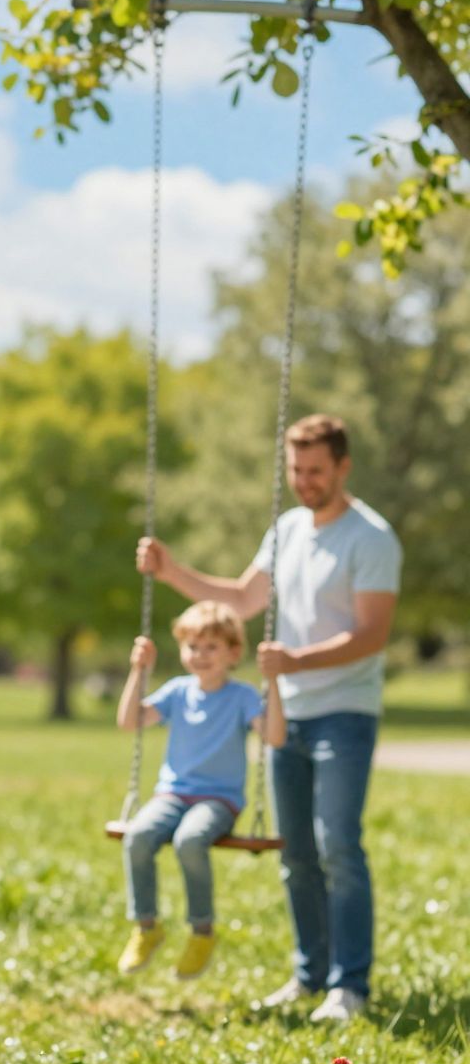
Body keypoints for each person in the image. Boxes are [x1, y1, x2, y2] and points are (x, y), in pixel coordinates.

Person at [136, 415, 401, 1022]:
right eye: (295, 470)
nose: (305, 482)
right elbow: (241, 598)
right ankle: (310, 977)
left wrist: (295, 661)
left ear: (343, 467)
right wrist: (170, 570)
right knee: (296, 853)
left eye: (316, 471)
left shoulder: (372, 538)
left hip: (345, 711)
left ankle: (350, 985)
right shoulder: (286, 530)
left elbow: (373, 634)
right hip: (288, 713)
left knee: (338, 845)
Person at [116, 601, 285, 979]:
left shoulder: (242, 697)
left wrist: (273, 681)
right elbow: (129, 722)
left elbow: (275, 737)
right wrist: (138, 670)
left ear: (234, 653)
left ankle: (202, 931)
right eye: (192, 646)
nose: (200, 655)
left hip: (218, 800)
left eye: (211, 647)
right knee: (138, 836)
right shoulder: (177, 692)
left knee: (190, 840)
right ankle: (146, 926)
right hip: (172, 795)